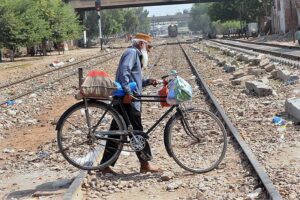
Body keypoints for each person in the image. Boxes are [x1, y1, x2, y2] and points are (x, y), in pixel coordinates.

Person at [99, 33, 162, 175]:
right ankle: (145, 163)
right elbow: (124, 72)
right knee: (137, 132)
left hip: (127, 98)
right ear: (141, 44)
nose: (150, 49)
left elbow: (134, 78)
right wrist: (128, 92)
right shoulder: (132, 52)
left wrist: (147, 81)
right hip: (127, 100)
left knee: (116, 132)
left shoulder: (135, 55)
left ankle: (105, 165)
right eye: (149, 46)